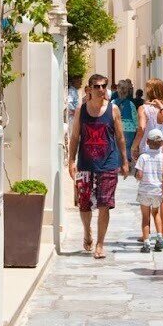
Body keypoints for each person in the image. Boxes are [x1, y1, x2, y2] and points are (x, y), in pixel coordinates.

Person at [66, 73, 127, 259]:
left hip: (108, 163)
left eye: (104, 86)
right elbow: (75, 136)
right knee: (84, 204)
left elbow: (120, 137)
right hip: (85, 164)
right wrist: (71, 161)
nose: (101, 89)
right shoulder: (81, 110)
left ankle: (100, 244)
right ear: (89, 89)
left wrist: (124, 161)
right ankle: (87, 232)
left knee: (104, 204)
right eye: (97, 86)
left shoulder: (113, 109)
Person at [137, 79, 163, 240]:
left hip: (148, 153)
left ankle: (147, 233)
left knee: (147, 192)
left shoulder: (143, 108)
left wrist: (134, 146)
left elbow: (142, 128)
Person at [134, 127, 163, 250]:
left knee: (145, 217)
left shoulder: (143, 157)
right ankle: (159, 237)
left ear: (147, 141)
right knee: (156, 213)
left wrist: (138, 175)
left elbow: (140, 175)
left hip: (144, 191)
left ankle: (147, 242)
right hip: (157, 191)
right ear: (162, 143)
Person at [113, 78, 139, 160]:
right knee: (127, 147)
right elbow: (135, 117)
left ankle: (119, 166)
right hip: (130, 129)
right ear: (127, 91)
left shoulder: (113, 102)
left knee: (117, 148)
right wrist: (137, 128)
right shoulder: (131, 103)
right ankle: (127, 164)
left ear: (117, 90)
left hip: (116, 128)